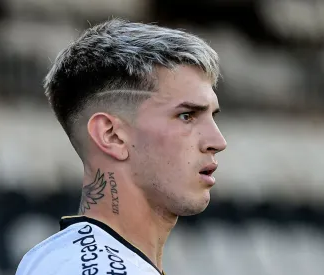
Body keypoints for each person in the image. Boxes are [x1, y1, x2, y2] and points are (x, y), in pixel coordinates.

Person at [16, 18, 227, 275]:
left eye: (212, 117)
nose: (217, 142)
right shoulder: (91, 268)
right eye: (187, 116)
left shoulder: (60, 260)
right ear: (111, 135)